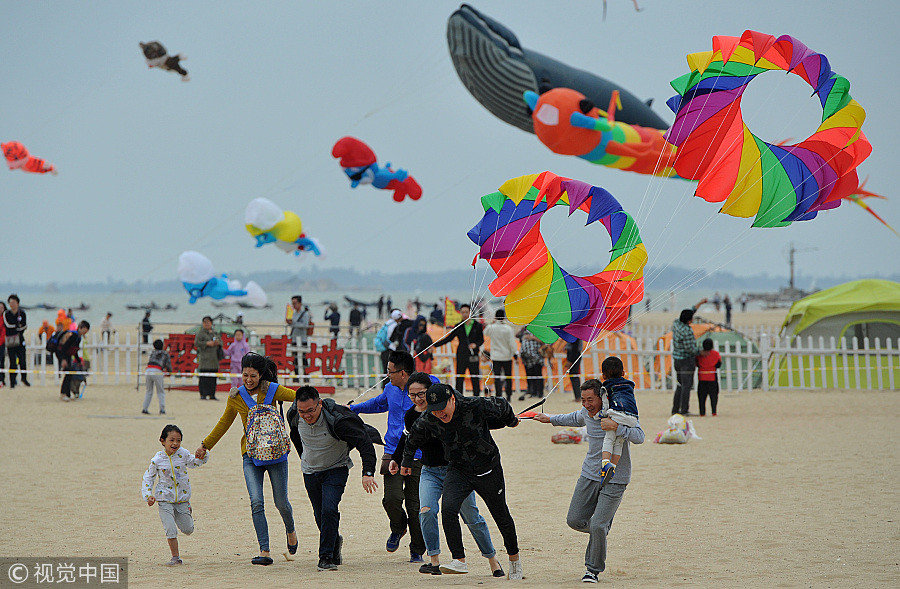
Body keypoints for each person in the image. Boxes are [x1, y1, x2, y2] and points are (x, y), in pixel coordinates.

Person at [401, 383, 524, 580]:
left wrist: (511, 421)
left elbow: (502, 404)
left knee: (501, 515)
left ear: (452, 399)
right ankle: (459, 560)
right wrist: (406, 461)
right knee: (448, 509)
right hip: (458, 470)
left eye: (442, 408)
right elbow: (413, 437)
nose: (440, 414)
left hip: (488, 469)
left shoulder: (473, 405)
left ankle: (514, 560)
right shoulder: (429, 418)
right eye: (435, 411)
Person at [532, 375, 645, 583]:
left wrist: (616, 427)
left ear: (601, 397)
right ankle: (600, 529)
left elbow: (640, 436)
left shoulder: (618, 414)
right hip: (589, 474)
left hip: (616, 477)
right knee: (574, 520)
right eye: (583, 400)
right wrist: (548, 418)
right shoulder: (585, 412)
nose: (586, 405)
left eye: (590, 400)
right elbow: (571, 418)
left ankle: (592, 570)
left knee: (598, 525)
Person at [195, 353, 298, 566]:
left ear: (261, 375)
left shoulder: (272, 389)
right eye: (245, 375)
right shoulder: (236, 397)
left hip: (277, 455)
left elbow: (299, 397)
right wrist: (205, 445)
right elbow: (224, 423)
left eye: (253, 375)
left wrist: (322, 404)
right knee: (256, 502)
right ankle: (265, 550)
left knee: (281, 503)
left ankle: (290, 530)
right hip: (250, 455)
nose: (248, 379)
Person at [286, 386, 380, 571]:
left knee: (329, 509)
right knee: (319, 514)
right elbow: (295, 436)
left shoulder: (338, 420)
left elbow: (364, 442)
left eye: (311, 411)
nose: (306, 416)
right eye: (302, 411)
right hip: (310, 471)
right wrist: (304, 458)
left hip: (336, 468)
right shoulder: (294, 416)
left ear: (319, 404)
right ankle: (335, 540)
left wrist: (367, 473)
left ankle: (326, 557)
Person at [349, 350, 427, 562]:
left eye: (390, 371)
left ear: (403, 373)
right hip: (392, 452)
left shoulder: (425, 386)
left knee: (415, 505)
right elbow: (378, 404)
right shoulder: (391, 388)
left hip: (420, 453)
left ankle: (417, 550)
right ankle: (398, 527)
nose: (387, 375)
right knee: (391, 499)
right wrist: (352, 409)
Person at [143, 424, 209, 566]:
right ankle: (175, 558)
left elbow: (195, 463)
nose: (175, 444)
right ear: (162, 441)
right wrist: (148, 495)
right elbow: (149, 477)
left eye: (178, 440)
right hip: (164, 499)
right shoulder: (157, 460)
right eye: (172, 440)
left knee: (188, 530)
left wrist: (203, 455)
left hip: (182, 499)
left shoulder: (183, 454)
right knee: (170, 529)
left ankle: (188, 511)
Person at [594, 358, 640, 487]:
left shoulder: (606, 387)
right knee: (619, 442)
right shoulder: (629, 385)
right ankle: (613, 468)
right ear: (624, 373)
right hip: (632, 417)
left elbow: (606, 405)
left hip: (617, 414)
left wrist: (599, 416)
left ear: (603, 375)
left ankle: (605, 464)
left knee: (609, 439)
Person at [432, 303, 484, 395]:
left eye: (466, 312)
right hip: (461, 354)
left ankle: (477, 396)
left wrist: (475, 345)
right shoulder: (458, 325)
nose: (464, 314)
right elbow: (449, 338)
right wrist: (434, 345)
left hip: (473, 355)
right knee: (459, 378)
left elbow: (481, 340)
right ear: (460, 313)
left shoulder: (477, 325)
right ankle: (459, 397)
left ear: (470, 312)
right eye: (463, 312)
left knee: (475, 378)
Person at [671, 298, 707, 415]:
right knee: (686, 386)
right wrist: (700, 352)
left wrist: (700, 303)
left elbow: (690, 311)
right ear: (689, 321)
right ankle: (684, 410)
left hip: (677, 360)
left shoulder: (676, 323)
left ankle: (675, 409)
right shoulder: (686, 331)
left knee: (680, 385)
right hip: (686, 361)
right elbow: (690, 349)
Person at [483, 309, 517, 400]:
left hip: (496, 356)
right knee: (508, 376)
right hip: (507, 356)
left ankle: (498, 395)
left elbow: (485, 332)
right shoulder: (508, 329)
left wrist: (493, 322)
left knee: (497, 377)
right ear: (504, 317)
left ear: (495, 317)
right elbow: (512, 343)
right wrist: (515, 353)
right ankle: (509, 395)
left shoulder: (492, 327)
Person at [56, 320, 90, 401]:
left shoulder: (78, 337)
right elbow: (64, 347)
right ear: (82, 328)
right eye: (85, 329)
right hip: (62, 354)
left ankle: (67, 394)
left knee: (70, 373)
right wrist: (63, 360)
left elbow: (74, 351)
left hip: (67, 355)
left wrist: (78, 361)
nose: (86, 332)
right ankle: (63, 394)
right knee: (68, 373)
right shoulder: (74, 335)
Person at [4, 295, 30, 388]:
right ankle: (12, 381)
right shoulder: (6, 314)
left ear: (18, 303)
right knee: (12, 362)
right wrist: (17, 326)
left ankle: (24, 378)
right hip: (11, 341)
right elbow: (8, 325)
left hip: (20, 339)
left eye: (14, 302)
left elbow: (24, 326)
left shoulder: (22, 313)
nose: (12, 304)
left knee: (22, 360)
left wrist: (18, 328)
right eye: (10, 303)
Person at [194, 316, 222, 401]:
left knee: (213, 378)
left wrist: (217, 343)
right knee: (204, 378)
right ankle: (203, 394)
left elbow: (221, 342)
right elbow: (196, 343)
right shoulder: (201, 332)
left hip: (214, 359)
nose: (206, 324)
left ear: (211, 323)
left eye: (208, 322)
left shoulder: (215, 332)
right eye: (205, 322)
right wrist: (206, 343)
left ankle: (212, 394)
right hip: (205, 359)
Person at [143, 339, 173, 414]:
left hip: (148, 370)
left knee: (149, 391)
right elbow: (168, 365)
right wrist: (170, 372)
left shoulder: (153, 353)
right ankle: (162, 409)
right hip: (157, 371)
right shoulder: (165, 354)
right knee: (160, 391)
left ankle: (145, 408)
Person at [696, 339, 722, 417]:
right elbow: (718, 365)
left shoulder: (699, 355)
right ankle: (714, 411)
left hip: (702, 378)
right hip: (712, 378)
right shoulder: (716, 354)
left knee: (701, 397)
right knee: (713, 396)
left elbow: (697, 364)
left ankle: (702, 412)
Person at [288, 295, 311, 377]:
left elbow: (305, 325)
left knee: (304, 358)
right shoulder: (293, 314)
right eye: (292, 303)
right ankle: (296, 376)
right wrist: (290, 323)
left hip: (302, 339)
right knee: (295, 359)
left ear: (300, 303)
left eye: (295, 303)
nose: (294, 305)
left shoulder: (305, 314)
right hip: (294, 338)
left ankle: (306, 375)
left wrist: (294, 323)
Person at [518, 329, 544, 400]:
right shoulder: (524, 331)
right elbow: (516, 335)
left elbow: (544, 341)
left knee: (538, 376)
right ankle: (532, 392)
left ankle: (540, 393)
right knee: (530, 376)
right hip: (526, 359)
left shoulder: (539, 330)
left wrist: (532, 338)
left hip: (537, 358)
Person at [0, 302, 5, 388]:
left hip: (2, 342)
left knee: (1, 362)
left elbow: (4, 332)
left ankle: (2, 380)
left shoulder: (5, 318)